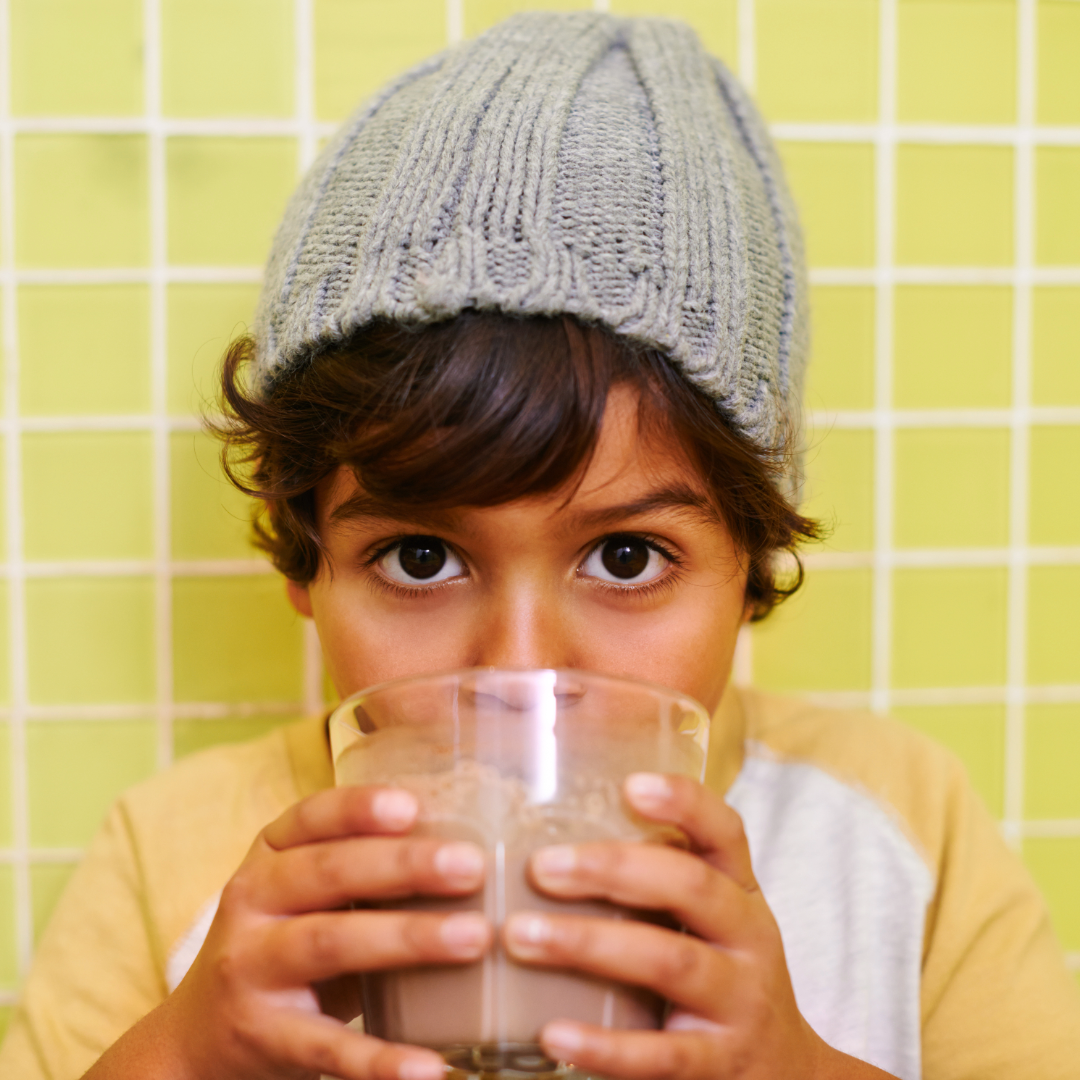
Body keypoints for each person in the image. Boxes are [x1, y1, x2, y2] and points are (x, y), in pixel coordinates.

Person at [2, 12, 1078, 1080]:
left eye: (624, 558)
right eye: (421, 557)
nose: (522, 672)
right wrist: (186, 1058)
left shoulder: (899, 830)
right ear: (305, 562)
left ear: (749, 567)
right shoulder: (172, 858)